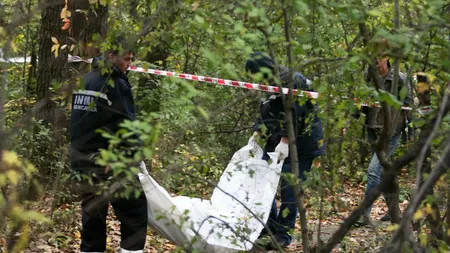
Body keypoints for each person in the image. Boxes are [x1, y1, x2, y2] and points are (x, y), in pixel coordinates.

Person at [70, 36, 148, 253]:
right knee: (135, 213)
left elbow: (78, 124)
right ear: (111, 57)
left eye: (131, 60)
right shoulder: (116, 84)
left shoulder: (84, 80)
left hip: (83, 161)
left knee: (93, 219)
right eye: (126, 59)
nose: (129, 65)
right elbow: (127, 125)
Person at [245, 52, 326, 249]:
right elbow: (268, 112)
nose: (251, 79)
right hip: (278, 140)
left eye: (252, 74)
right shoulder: (269, 84)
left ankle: (283, 235)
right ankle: (269, 227)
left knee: (290, 190)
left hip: (303, 144)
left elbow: (295, 115)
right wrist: (257, 133)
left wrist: (285, 141)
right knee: (263, 181)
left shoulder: (292, 80)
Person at [357, 57, 411, 225]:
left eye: (378, 58)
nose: (374, 61)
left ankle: (364, 214)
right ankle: (393, 212)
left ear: (387, 58)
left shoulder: (399, 79)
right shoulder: (369, 76)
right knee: (382, 171)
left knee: (373, 171)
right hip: (373, 128)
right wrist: (354, 117)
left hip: (391, 131)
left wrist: (410, 131)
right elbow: (362, 98)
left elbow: (408, 106)